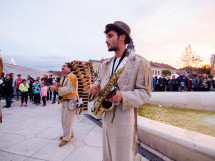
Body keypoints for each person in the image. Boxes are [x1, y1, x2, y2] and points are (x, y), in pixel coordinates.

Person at [89, 21, 152, 161]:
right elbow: (99, 81)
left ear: (122, 37)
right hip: (105, 117)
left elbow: (146, 94)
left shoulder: (140, 62)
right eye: (106, 37)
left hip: (124, 121)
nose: (106, 40)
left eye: (110, 36)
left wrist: (122, 96)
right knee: (107, 157)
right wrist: (95, 87)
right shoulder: (105, 64)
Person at [50, 63, 78, 147]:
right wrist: (59, 85)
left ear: (69, 68)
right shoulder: (64, 77)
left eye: (64, 66)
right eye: (62, 66)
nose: (62, 67)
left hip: (71, 101)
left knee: (68, 120)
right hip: (64, 101)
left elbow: (70, 89)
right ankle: (69, 133)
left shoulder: (72, 77)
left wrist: (56, 89)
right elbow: (64, 86)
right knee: (64, 119)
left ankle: (66, 138)